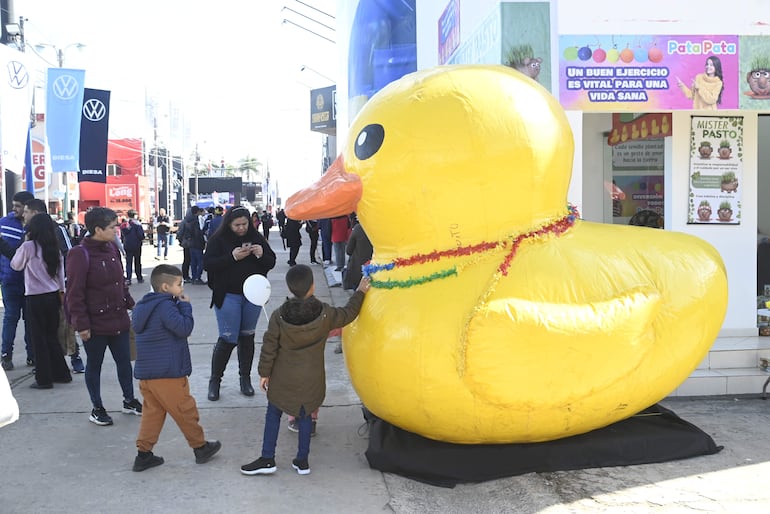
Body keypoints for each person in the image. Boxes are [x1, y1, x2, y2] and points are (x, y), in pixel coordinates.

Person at [240, 265, 370, 476]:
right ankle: (302, 461)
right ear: (313, 286)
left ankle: (267, 458)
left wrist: (264, 373)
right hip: (312, 378)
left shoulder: (278, 316)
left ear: (290, 289)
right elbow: (348, 314)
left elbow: (269, 347)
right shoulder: (326, 314)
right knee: (306, 415)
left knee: (273, 414)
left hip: (283, 378)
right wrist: (361, 292)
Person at [131, 264, 221, 472]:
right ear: (165, 287)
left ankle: (143, 454)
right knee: (185, 410)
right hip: (168, 373)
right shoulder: (166, 306)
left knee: (152, 413)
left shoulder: (143, 306)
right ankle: (200, 447)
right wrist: (185, 306)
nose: (182, 288)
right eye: (179, 285)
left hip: (148, 374)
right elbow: (184, 328)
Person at [64, 207, 142, 426]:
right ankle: (97, 407)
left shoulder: (111, 249)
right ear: (97, 229)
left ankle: (129, 400)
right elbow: (74, 293)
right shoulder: (80, 254)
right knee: (94, 366)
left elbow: (120, 284)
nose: (116, 230)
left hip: (119, 319)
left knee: (125, 363)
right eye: (112, 227)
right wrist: (81, 325)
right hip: (94, 324)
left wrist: (132, 305)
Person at [203, 206, 276, 401]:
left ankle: (245, 379)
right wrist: (232, 257)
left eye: (245, 224)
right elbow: (208, 264)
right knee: (228, 338)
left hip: (253, 297)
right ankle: (215, 381)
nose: (242, 228)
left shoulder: (257, 237)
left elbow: (271, 261)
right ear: (229, 224)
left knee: (247, 336)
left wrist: (261, 254)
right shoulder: (217, 240)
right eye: (237, 225)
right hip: (228, 295)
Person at [20, 198, 83, 373]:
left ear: (35, 212)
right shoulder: (29, 234)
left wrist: (64, 287)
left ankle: (74, 356)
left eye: (25, 211)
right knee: (47, 331)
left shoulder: (58, 230)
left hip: (57, 289)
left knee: (65, 326)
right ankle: (49, 366)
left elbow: (69, 256)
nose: (23, 215)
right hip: (38, 290)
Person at [10, 213, 71, 389]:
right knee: (52, 336)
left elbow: (16, 265)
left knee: (39, 339)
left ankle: (43, 379)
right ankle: (62, 373)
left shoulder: (28, 247)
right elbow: (61, 275)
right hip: (53, 295)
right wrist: (62, 293)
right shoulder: (54, 247)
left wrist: (24, 243)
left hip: (35, 298)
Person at [0, 191, 34, 371]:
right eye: (13, 205)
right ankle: (6, 355)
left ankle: (32, 356)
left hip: (31, 283)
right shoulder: (4, 224)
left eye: (18, 206)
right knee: (11, 318)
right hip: (10, 280)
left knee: (30, 321)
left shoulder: (35, 225)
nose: (14, 209)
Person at [343, 222, 373, 291]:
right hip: (375, 269)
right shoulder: (380, 229)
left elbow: (348, 250)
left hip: (357, 269)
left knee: (357, 295)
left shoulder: (359, 228)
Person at [121, 209, 145, 284]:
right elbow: (141, 235)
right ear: (135, 215)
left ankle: (128, 278)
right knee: (137, 262)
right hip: (137, 245)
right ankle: (139, 277)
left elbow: (122, 235)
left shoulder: (124, 224)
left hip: (127, 244)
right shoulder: (137, 224)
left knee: (128, 262)